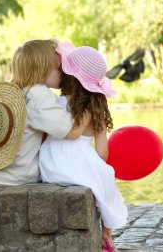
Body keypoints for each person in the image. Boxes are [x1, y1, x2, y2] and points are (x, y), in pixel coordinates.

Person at [39, 42, 127, 252]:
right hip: (78, 165)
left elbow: (43, 139)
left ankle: (106, 233)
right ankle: (107, 233)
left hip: (49, 166)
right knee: (106, 178)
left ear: (67, 76)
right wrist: (97, 166)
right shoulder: (95, 111)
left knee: (102, 175)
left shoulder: (53, 103)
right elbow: (102, 154)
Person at [0, 39, 74, 185]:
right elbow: (69, 130)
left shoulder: (10, 92)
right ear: (42, 73)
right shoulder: (38, 94)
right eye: (59, 69)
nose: (64, 72)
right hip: (17, 178)